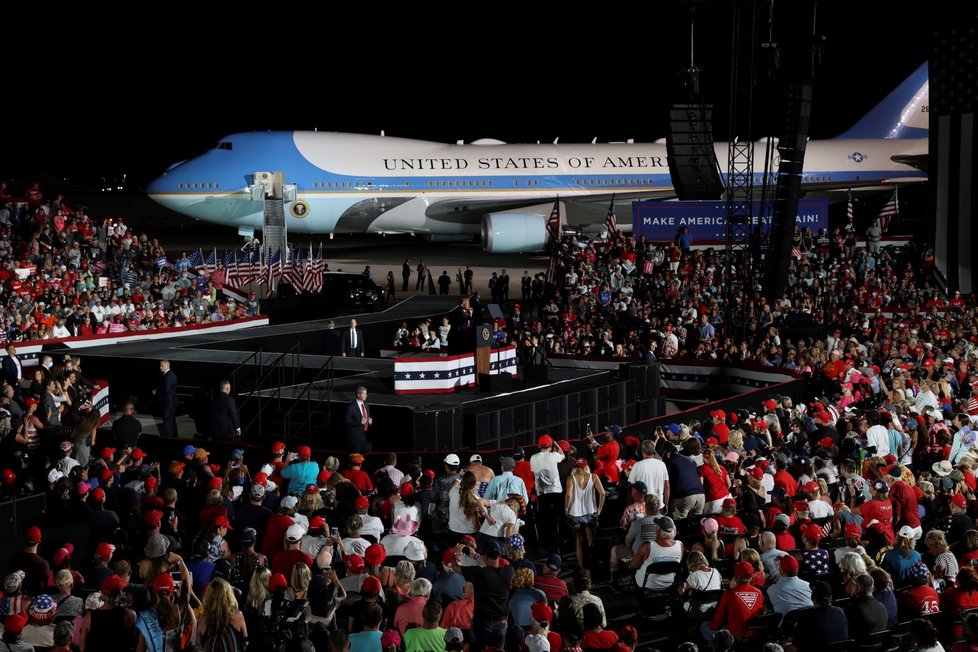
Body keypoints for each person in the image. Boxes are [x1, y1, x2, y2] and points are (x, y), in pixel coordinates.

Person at [197, 578, 247, 651]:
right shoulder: (238, 615)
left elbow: (199, 646)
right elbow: (246, 642)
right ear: (229, 595)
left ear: (209, 596)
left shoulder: (203, 619)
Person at [344, 386, 373, 453]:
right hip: (356, 440)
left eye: (366, 393)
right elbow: (346, 421)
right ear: (358, 394)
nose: (366, 395)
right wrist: (359, 422)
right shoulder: (351, 407)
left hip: (366, 438)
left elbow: (368, 415)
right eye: (364, 393)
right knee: (356, 459)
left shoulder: (366, 404)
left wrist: (370, 420)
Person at [154, 360, 178, 438]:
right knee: (171, 422)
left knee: (168, 423)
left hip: (168, 404)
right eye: (160, 366)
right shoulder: (170, 375)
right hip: (170, 404)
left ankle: (169, 438)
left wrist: (156, 391)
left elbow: (166, 389)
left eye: (162, 366)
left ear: (167, 366)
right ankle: (173, 437)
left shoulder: (168, 376)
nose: (160, 367)